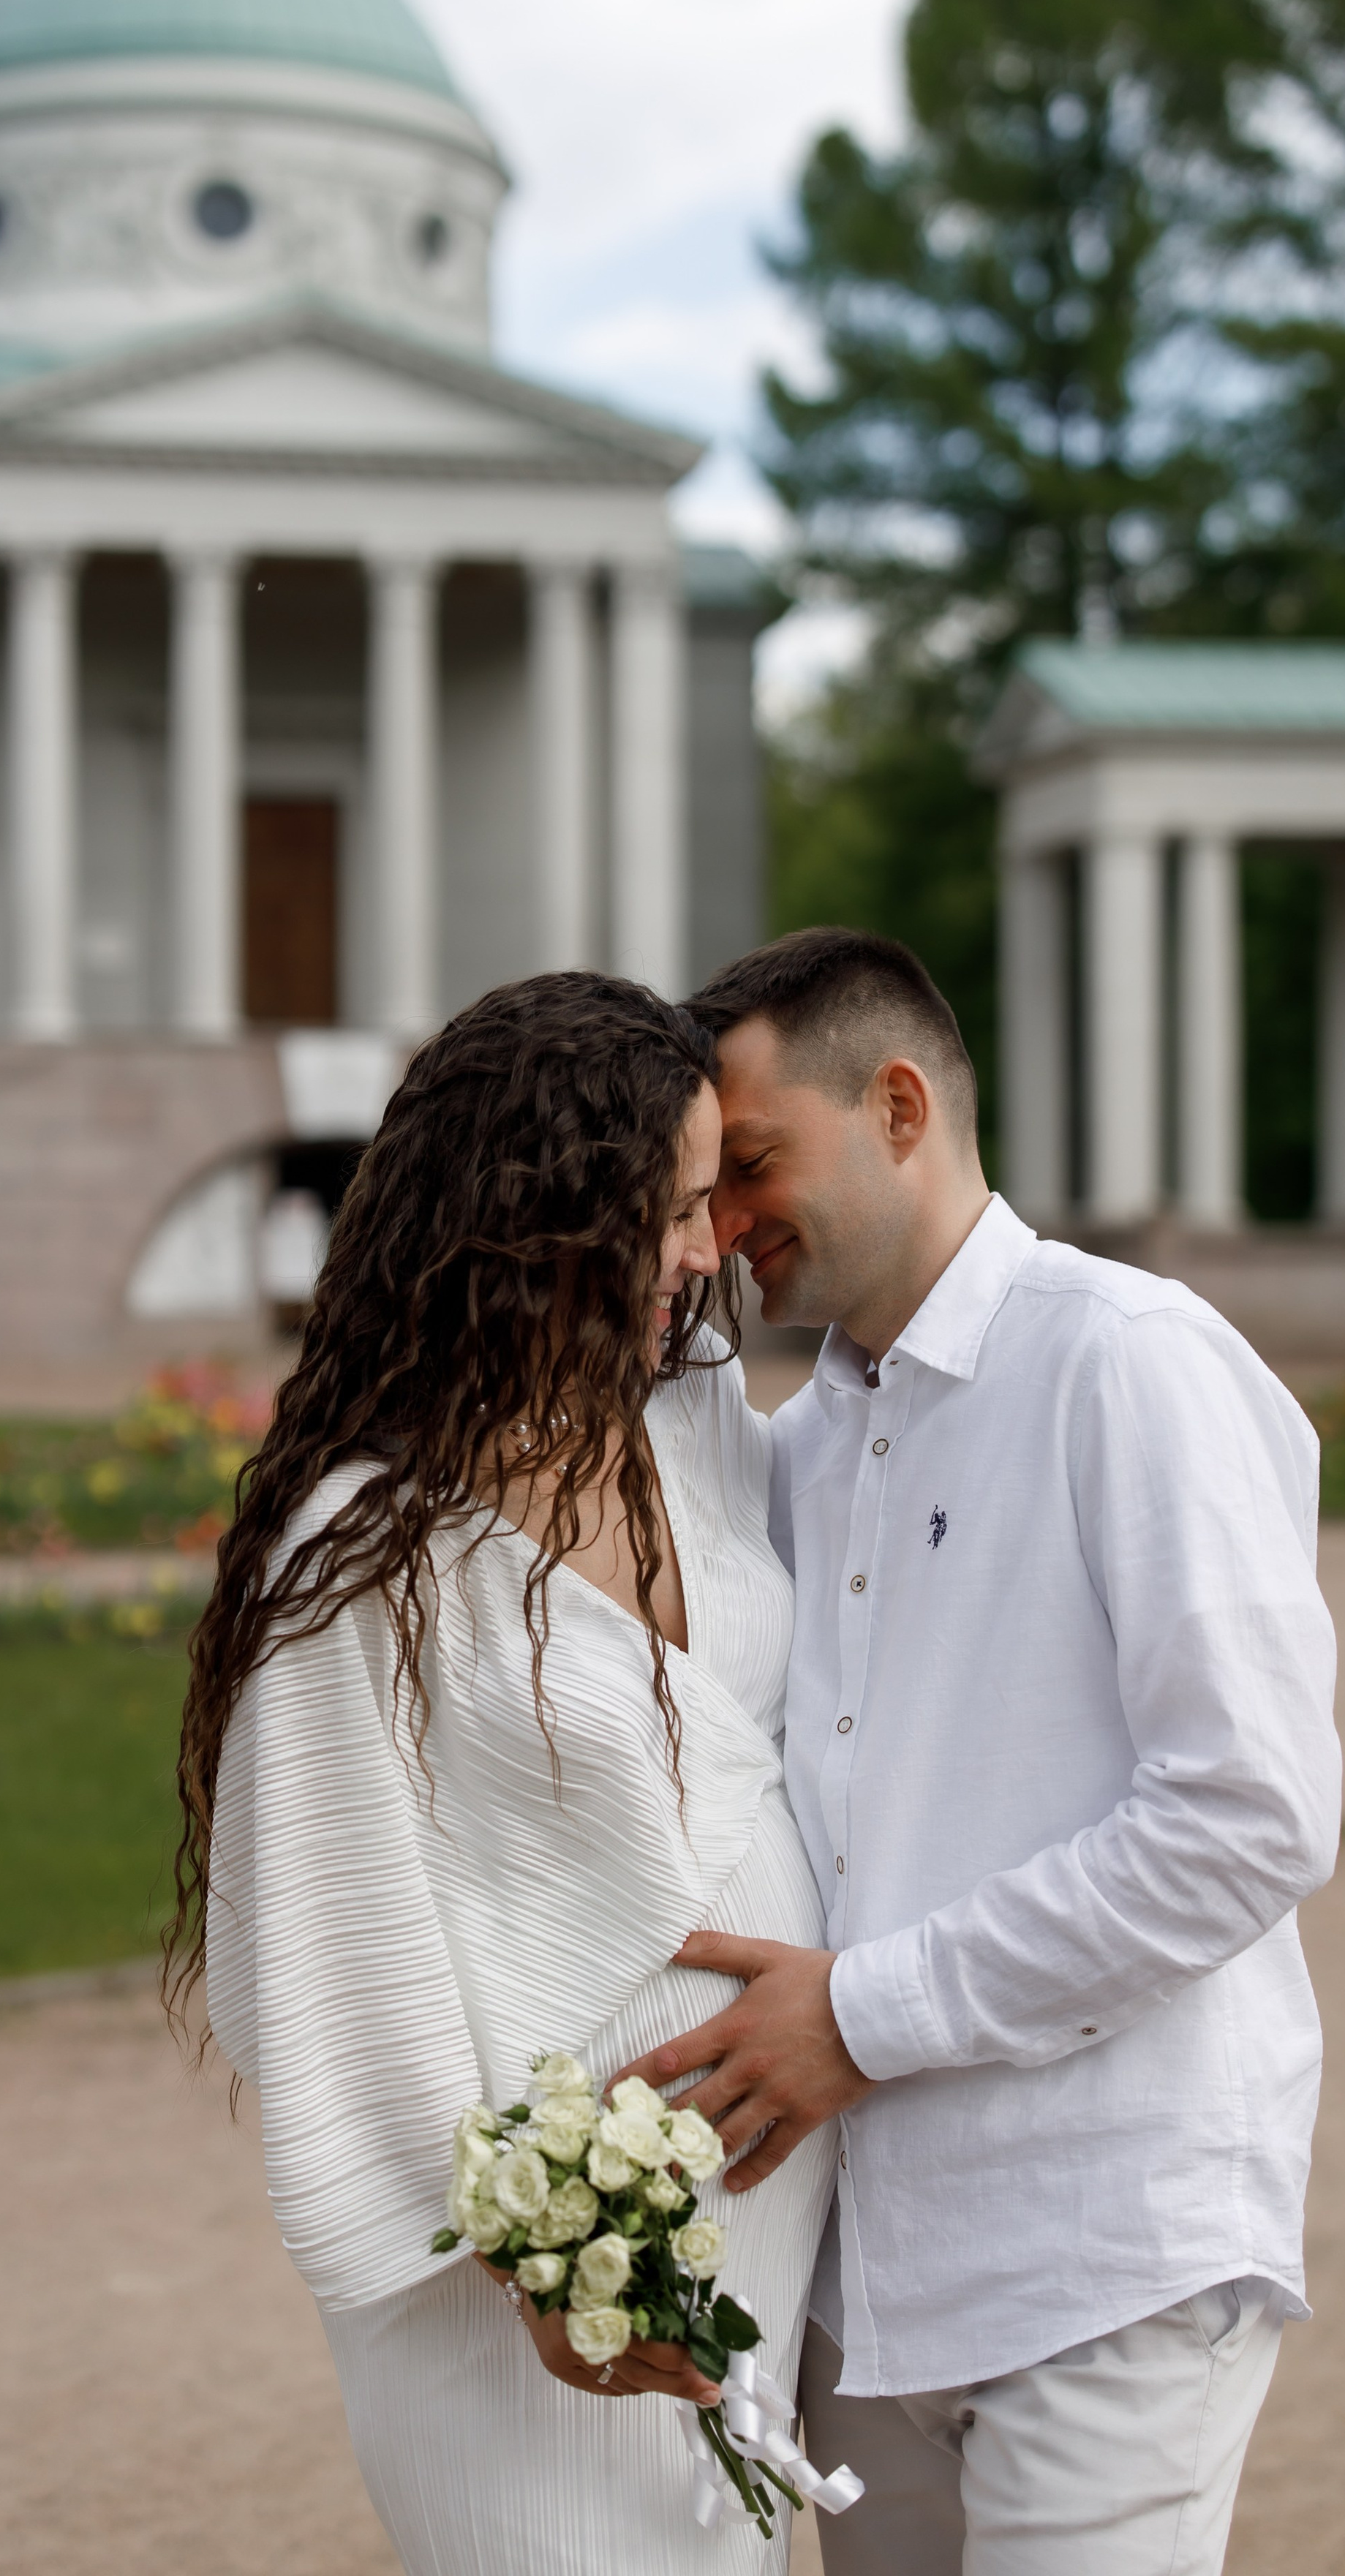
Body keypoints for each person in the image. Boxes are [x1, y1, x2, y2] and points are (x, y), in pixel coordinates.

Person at [616, 926, 1342, 2576]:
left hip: (1107, 2253)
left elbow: (1247, 1814)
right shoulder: (790, 1457)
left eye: (749, 1167)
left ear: (893, 1106)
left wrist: (861, 2018)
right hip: (864, 2285)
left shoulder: (1127, 1363)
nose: (722, 1228)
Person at [167, 972, 837, 2576]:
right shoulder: (361, 1546)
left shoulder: (693, 1423)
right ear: (546, 1212)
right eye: (673, 1209)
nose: (707, 1250)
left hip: (756, 2183)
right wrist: (537, 2258)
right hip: (526, 2277)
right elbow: (338, 1951)